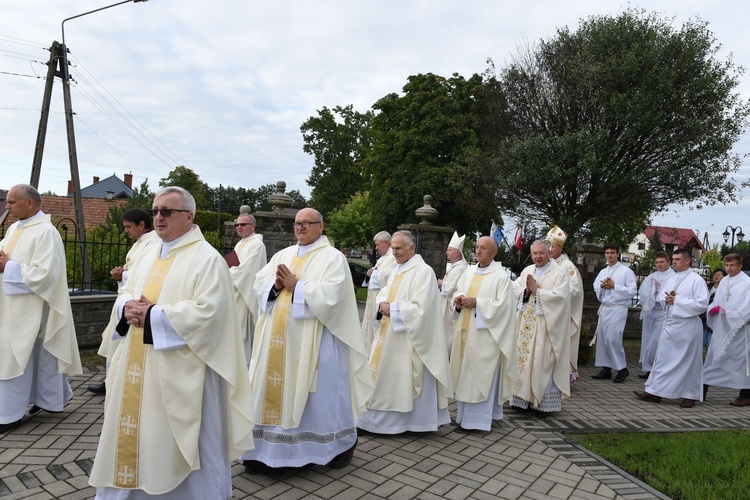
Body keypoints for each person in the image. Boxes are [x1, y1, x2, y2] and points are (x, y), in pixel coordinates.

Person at [89, 187, 255, 497]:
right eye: (155, 211)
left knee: (181, 441)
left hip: (183, 373)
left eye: (167, 211)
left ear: (189, 216)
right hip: (136, 366)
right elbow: (127, 291)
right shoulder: (148, 253)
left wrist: (154, 315)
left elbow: (211, 314)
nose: (158, 217)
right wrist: (125, 307)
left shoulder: (207, 259)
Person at [241, 208, 372, 473]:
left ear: (321, 226)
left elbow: (333, 298)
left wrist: (296, 286)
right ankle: (264, 451)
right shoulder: (283, 254)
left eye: (307, 223)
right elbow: (260, 283)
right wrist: (276, 286)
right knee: (269, 389)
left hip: (316, 342)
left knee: (319, 397)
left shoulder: (333, 258)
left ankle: (336, 445)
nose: (300, 227)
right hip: (276, 340)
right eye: (297, 223)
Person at [0, 184, 82, 433]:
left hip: (33, 306)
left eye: (12, 202)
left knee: (17, 355)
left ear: (30, 203)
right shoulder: (15, 228)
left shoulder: (47, 232)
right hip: (11, 304)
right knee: (30, 356)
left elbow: (47, 275)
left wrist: (8, 267)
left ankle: (9, 415)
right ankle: (50, 400)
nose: (7, 206)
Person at [357, 230, 453, 434]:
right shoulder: (398, 270)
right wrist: (383, 303)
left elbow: (423, 308)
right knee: (383, 376)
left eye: (398, 248)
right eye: (392, 248)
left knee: (399, 378)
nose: (394, 252)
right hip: (388, 333)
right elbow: (385, 292)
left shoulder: (423, 272)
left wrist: (394, 308)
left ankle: (409, 423)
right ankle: (373, 421)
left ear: (412, 248)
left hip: (409, 338)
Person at [450, 236, 517, 432]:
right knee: (465, 376)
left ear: (494, 252)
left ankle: (477, 422)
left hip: (485, 338)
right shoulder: (469, 271)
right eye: (477, 248)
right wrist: (458, 299)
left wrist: (478, 303)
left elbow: (504, 308)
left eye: (484, 248)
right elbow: (460, 290)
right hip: (465, 333)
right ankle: (463, 417)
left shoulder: (501, 277)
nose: (478, 251)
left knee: (480, 377)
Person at [89, 208, 159, 395]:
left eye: (128, 227)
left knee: (120, 343)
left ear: (141, 225)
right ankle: (110, 379)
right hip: (125, 298)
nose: (125, 231)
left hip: (134, 302)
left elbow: (146, 273)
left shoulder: (153, 243)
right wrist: (123, 274)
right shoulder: (141, 242)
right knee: (115, 342)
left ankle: (114, 381)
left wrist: (124, 274)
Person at [634, 248, 708, 408]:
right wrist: (667, 299)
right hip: (670, 323)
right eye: (673, 259)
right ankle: (655, 392)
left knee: (687, 361)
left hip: (687, 326)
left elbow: (702, 304)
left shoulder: (696, 280)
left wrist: (677, 300)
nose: (673, 262)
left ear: (687, 261)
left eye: (677, 259)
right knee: (663, 358)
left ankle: (689, 394)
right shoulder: (673, 279)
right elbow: (662, 296)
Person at [510, 239, 571, 417]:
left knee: (541, 361)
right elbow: (514, 289)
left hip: (546, 327)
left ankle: (542, 404)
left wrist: (538, 291)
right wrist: (526, 291)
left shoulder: (559, 273)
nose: (538, 256)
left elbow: (561, 298)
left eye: (541, 253)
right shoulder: (527, 271)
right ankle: (521, 400)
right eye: (535, 253)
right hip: (525, 326)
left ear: (549, 252)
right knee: (522, 361)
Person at [703, 254, 750, 407]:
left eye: (733, 265)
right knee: (712, 359)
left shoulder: (747, 282)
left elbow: (747, 308)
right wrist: (712, 309)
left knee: (741, 362)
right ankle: (700, 391)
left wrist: (727, 313)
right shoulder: (724, 281)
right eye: (727, 265)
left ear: (740, 265)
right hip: (722, 327)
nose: (729, 268)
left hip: (739, 328)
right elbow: (717, 300)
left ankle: (746, 394)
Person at [591, 244, 637, 383]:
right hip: (605, 308)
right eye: (607, 253)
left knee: (613, 339)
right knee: (603, 339)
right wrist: (602, 287)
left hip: (618, 308)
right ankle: (606, 369)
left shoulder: (626, 271)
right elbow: (595, 286)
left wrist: (614, 286)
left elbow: (632, 291)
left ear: (618, 254)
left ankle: (622, 369)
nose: (609, 255)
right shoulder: (603, 272)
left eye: (612, 252)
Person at [545, 225, 583, 382]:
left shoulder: (567, 266)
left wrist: (553, 295)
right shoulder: (549, 264)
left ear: (560, 247)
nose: (549, 250)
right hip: (547, 311)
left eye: (552, 246)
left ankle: (559, 376)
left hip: (560, 314)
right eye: (547, 246)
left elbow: (575, 291)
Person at [229, 213, 267, 364]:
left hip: (244, 293)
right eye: (237, 224)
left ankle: (245, 362)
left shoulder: (257, 244)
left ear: (252, 226)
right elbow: (234, 264)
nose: (239, 227)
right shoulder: (240, 244)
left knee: (242, 328)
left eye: (243, 224)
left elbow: (246, 271)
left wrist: (224, 274)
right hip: (235, 292)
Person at [637, 251, 675, 379]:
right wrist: (649, 292)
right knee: (647, 340)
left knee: (656, 341)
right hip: (650, 311)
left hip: (663, 312)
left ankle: (658, 369)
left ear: (668, 262)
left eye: (662, 262)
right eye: (657, 262)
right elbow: (642, 292)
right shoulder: (651, 276)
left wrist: (659, 288)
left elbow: (672, 292)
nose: (659, 265)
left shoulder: (673, 276)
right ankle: (648, 368)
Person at [361, 231, 397, 351]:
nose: (376, 248)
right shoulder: (382, 258)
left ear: (386, 243)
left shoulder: (393, 257)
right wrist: (371, 271)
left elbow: (388, 276)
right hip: (373, 296)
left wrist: (374, 272)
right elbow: (377, 271)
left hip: (381, 297)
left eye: (377, 245)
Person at [438, 231, 468, 351]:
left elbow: (453, 288)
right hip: (445, 304)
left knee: (448, 333)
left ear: (457, 252)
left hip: (450, 306)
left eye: (449, 250)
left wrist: (440, 283)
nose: (446, 253)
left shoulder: (461, 267)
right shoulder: (455, 266)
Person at [701, 268, 726, 349]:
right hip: (704, 316)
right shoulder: (708, 286)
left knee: (710, 341)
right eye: (715, 274)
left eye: (719, 275)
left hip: (716, 317)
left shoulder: (725, 289)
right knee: (703, 341)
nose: (716, 276)